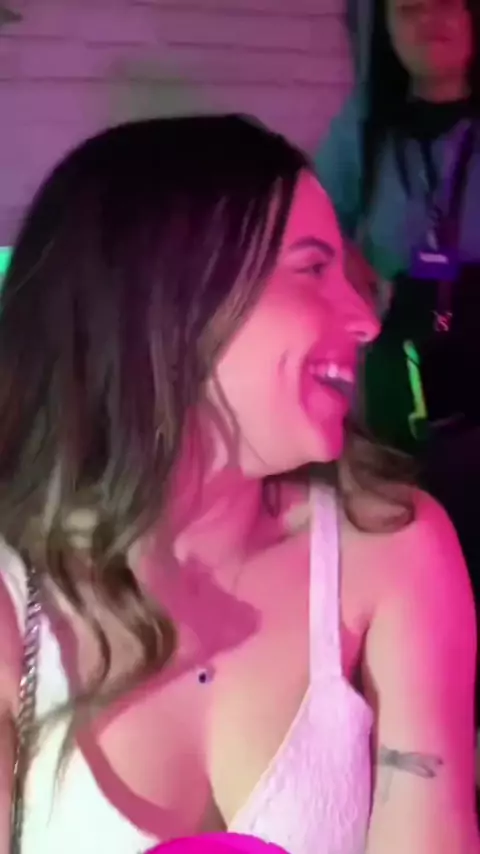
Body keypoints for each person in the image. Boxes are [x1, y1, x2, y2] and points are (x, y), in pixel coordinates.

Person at [0, 114, 476, 854]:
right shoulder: (13, 600)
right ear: (167, 300)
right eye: (313, 270)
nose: (365, 321)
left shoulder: (391, 551)